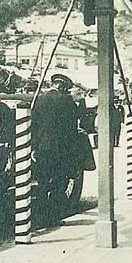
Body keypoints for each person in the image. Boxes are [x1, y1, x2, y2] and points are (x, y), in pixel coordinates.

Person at [31, 74, 81, 222]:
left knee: (42, 182)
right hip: (61, 149)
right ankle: (53, 216)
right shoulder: (67, 102)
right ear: (63, 86)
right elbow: (73, 128)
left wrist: (34, 147)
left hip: (43, 148)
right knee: (59, 183)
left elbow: (33, 125)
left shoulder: (39, 100)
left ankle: (39, 216)